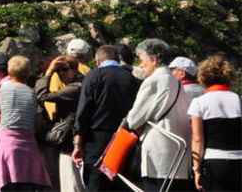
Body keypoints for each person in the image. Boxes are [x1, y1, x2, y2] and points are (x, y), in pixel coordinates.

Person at [125, 38, 192, 191]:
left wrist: (139, 123)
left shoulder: (153, 81)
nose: (141, 65)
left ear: (153, 60)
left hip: (158, 155)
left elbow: (134, 119)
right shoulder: (177, 82)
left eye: (142, 60)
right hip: (179, 156)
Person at [72, 44, 141, 190]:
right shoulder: (131, 79)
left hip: (96, 141)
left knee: (96, 184)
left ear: (98, 61)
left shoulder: (94, 75)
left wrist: (78, 143)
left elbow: (83, 111)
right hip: (123, 141)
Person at [0, 55, 51, 192]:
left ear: (10, 71)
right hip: (28, 146)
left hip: (6, 145)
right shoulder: (32, 93)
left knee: (7, 185)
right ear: (27, 72)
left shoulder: (0, 90)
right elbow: (38, 122)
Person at [188, 56, 241, 191]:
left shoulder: (199, 102)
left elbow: (198, 139)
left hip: (214, 160)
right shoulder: (239, 99)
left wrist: (196, 169)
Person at [35, 55, 84, 192]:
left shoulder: (76, 88)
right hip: (70, 141)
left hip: (71, 143)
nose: (61, 73)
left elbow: (43, 95)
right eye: (58, 71)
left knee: (71, 183)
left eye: (64, 69)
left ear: (74, 70)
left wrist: (49, 71)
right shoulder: (78, 84)